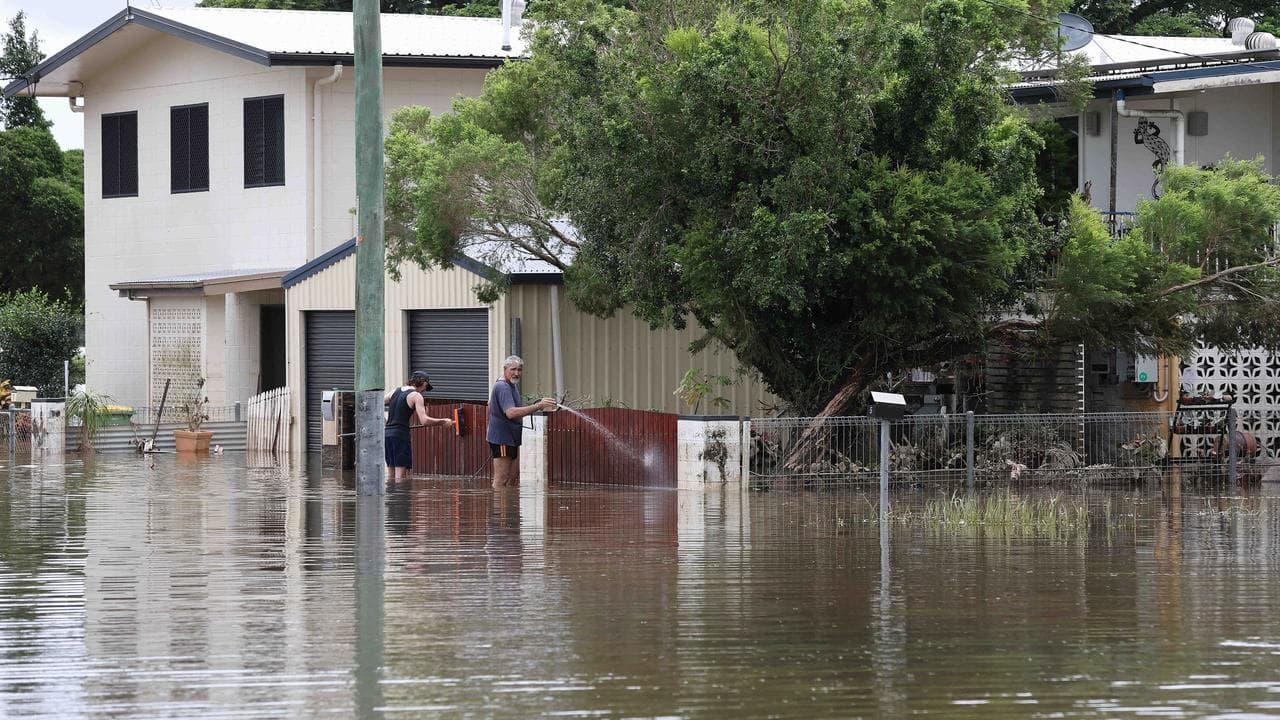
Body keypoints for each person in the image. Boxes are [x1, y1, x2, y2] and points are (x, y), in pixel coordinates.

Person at [486, 355, 557, 489]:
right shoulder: (503, 387)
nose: (516, 373)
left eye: (519, 370)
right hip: (502, 438)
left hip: (511, 438)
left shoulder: (510, 385)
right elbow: (511, 413)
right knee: (502, 479)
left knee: (512, 477)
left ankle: (509, 508)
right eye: (513, 369)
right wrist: (538, 406)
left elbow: (490, 404)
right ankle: (498, 509)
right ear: (505, 369)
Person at [385, 370, 453, 481]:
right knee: (400, 478)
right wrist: (443, 421)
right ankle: (399, 498)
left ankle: (390, 498)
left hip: (387, 435)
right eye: (426, 388)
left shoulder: (394, 391)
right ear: (424, 383)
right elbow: (424, 420)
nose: (424, 391)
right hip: (400, 436)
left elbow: (378, 402)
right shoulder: (416, 396)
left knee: (391, 476)